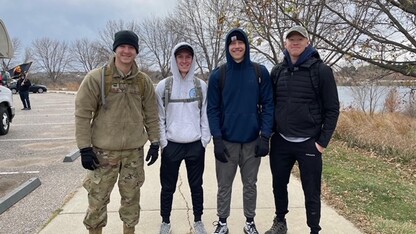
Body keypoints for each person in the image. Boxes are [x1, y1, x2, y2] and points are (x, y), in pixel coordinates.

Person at [75, 30, 160, 234]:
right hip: (103, 154)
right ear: (115, 49)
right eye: (122, 46)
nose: (126, 51)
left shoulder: (143, 81)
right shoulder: (97, 78)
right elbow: (82, 114)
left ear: (136, 52)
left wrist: (155, 141)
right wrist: (84, 148)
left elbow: (151, 114)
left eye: (131, 48)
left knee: (131, 202)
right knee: (97, 201)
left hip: (133, 153)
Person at [265, 25, 340, 234]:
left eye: (300, 39)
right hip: (281, 141)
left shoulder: (321, 71)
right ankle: (280, 221)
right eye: (291, 39)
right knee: (278, 185)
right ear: (285, 43)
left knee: (311, 191)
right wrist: (267, 134)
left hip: (309, 142)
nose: (295, 42)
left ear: (308, 42)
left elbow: (333, 109)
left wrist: (322, 143)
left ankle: (314, 229)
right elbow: (270, 105)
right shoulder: (277, 71)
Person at [207, 28, 274, 234]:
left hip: (253, 141)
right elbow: (213, 109)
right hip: (227, 141)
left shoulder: (259, 72)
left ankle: (250, 221)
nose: (236, 47)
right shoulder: (219, 75)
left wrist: (265, 136)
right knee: (224, 185)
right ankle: (222, 222)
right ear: (228, 47)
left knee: (250, 184)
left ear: (246, 46)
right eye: (232, 44)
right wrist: (217, 138)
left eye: (240, 43)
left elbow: (269, 104)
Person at [154, 42, 211, 234]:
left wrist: (204, 141)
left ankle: (198, 220)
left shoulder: (200, 85)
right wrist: (164, 143)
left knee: (196, 186)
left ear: (193, 60)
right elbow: (160, 117)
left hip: (195, 145)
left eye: (188, 57)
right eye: (180, 57)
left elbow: (205, 115)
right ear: (175, 59)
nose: (184, 61)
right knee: (167, 186)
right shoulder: (164, 86)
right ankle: (165, 221)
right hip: (172, 146)